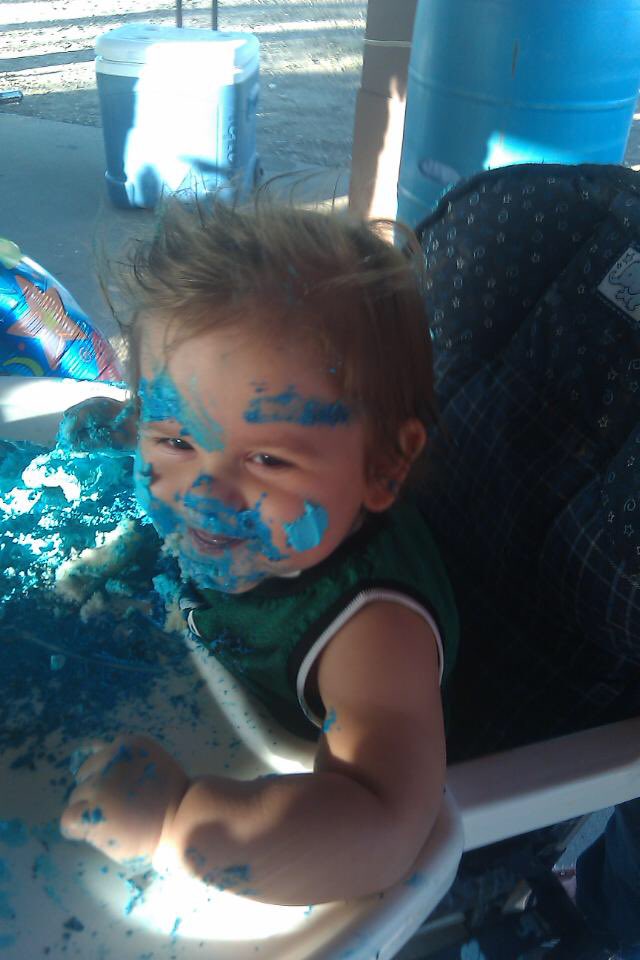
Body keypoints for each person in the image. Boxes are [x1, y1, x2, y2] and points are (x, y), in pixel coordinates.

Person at [59, 196, 459, 906]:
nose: (204, 493)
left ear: (384, 468)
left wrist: (178, 824)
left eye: (268, 459)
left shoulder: (373, 635)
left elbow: (387, 826)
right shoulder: (244, 524)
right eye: (176, 439)